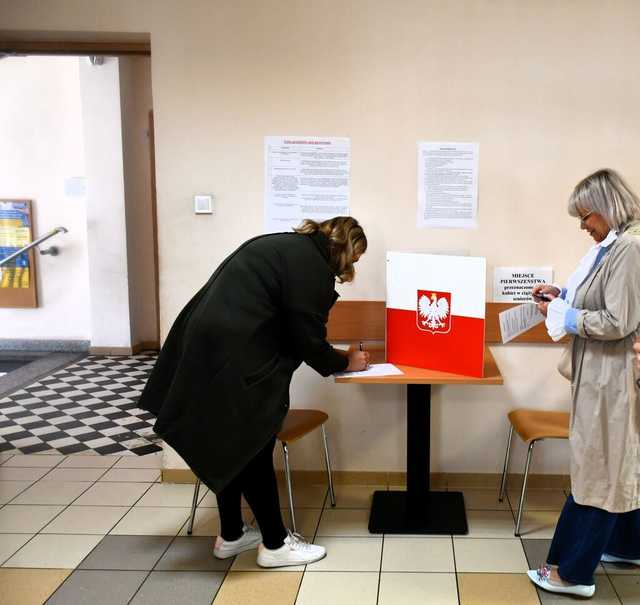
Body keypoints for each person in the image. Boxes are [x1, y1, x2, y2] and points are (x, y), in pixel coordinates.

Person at [138, 216, 370, 567]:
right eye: (353, 259)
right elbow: (306, 339)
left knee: (228, 439)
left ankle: (231, 534)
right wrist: (345, 362)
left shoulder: (284, 246)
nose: (350, 268)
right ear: (343, 248)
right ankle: (275, 546)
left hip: (206, 347)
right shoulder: (310, 266)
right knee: (253, 443)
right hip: (233, 354)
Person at [528, 169, 640, 598]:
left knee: (598, 468)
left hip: (612, 379)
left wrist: (567, 318)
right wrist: (561, 297)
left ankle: (573, 573)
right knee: (617, 463)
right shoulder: (612, 248)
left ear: (607, 207)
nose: (583, 226)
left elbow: (619, 321)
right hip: (601, 376)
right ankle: (627, 545)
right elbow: (608, 301)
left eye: (586, 216)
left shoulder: (628, 248)